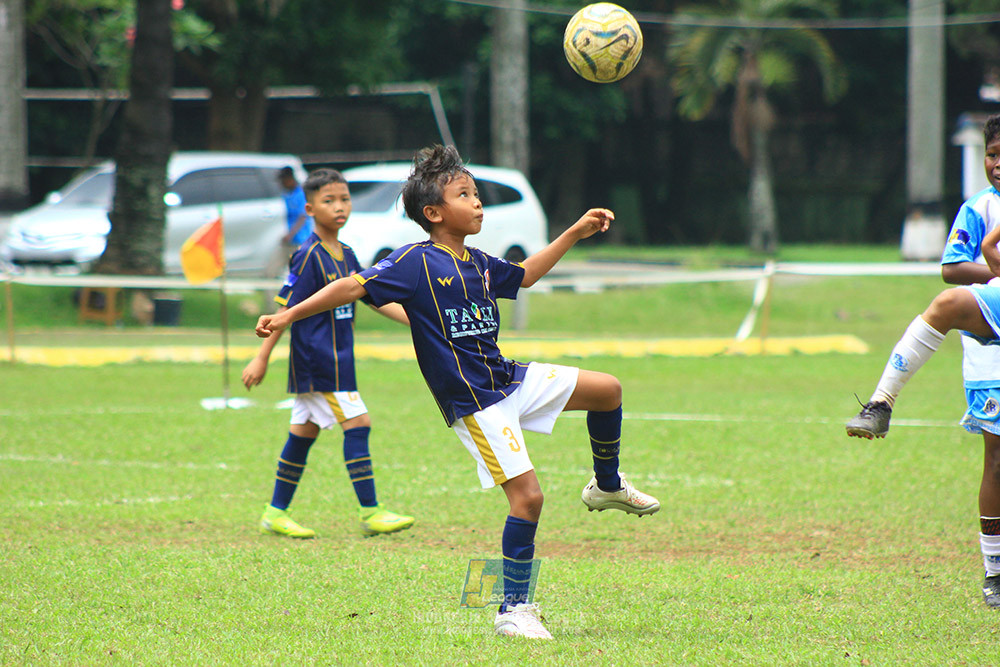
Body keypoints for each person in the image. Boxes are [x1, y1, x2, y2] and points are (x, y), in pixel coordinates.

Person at [254, 145, 660, 639]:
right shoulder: (414, 262)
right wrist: (288, 314)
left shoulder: (478, 261)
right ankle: (512, 610)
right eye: (465, 194)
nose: (478, 203)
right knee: (528, 498)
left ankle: (607, 485)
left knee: (608, 390)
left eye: (477, 194)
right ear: (434, 212)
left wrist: (575, 231)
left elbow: (526, 275)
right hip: (475, 402)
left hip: (507, 377)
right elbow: (351, 287)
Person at [846, 113, 1000, 608]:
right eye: (992, 155)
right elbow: (953, 268)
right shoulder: (979, 208)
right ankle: (881, 403)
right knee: (997, 458)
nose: (998, 165)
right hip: (992, 336)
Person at [243, 168, 414, 539]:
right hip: (318, 360)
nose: (340, 207)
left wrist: (418, 324)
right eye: (329, 200)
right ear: (309, 209)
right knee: (358, 423)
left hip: (337, 359)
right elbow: (284, 309)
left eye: (345, 199)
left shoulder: (347, 254)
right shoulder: (308, 256)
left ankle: (275, 512)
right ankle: (371, 512)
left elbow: (370, 298)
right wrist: (262, 356)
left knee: (302, 434)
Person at [268, 166, 313, 277]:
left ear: (289, 179)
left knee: (301, 274)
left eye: (282, 180)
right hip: (289, 241)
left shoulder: (301, 194)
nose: (281, 184)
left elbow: (302, 217)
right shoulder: (286, 195)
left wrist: (290, 235)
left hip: (301, 242)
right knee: (271, 272)